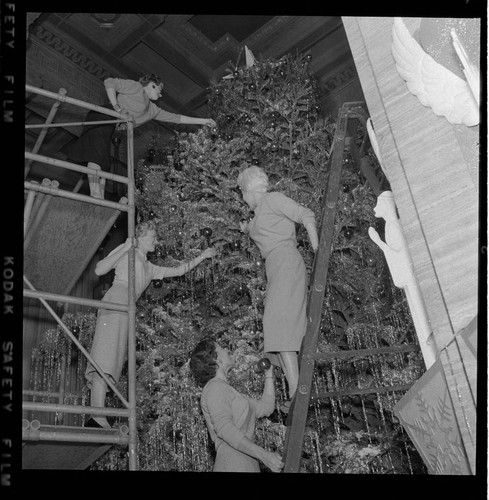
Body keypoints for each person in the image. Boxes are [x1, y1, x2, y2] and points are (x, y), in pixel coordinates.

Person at [85, 220, 217, 429]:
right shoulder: (129, 249)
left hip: (129, 307)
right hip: (117, 298)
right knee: (105, 353)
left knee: (114, 358)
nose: (157, 241)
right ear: (141, 236)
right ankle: (96, 414)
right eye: (153, 236)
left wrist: (203, 255)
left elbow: (180, 270)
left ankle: (97, 413)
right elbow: (100, 270)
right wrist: (127, 247)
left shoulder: (150, 267)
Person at [237, 166, 319, 413]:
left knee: (278, 323)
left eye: (242, 192)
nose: (242, 198)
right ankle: (296, 390)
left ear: (250, 189)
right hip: (275, 269)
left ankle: (297, 392)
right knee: (274, 326)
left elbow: (305, 214)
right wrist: (245, 229)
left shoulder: (273, 199)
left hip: (286, 261)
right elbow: (254, 228)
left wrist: (317, 247)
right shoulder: (257, 214)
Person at [63, 73, 216, 199]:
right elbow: (110, 82)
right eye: (159, 89)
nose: (160, 94)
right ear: (152, 84)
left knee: (101, 155)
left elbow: (177, 118)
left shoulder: (152, 110)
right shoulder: (136, 87)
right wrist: (117, 108)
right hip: (104, 115)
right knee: (97, 153)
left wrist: (203, 121)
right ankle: (96, 194)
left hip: (111, 125)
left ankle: (98, 195)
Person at [189, 338, 284, 472]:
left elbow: (266, 407)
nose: (226, 350)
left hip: (248, 464)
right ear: (217, 360)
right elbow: (225, 429)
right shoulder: (214, 388)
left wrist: (268, 375)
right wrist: (263, 454)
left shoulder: (230, 391)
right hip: (232, 464)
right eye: (221, 348)